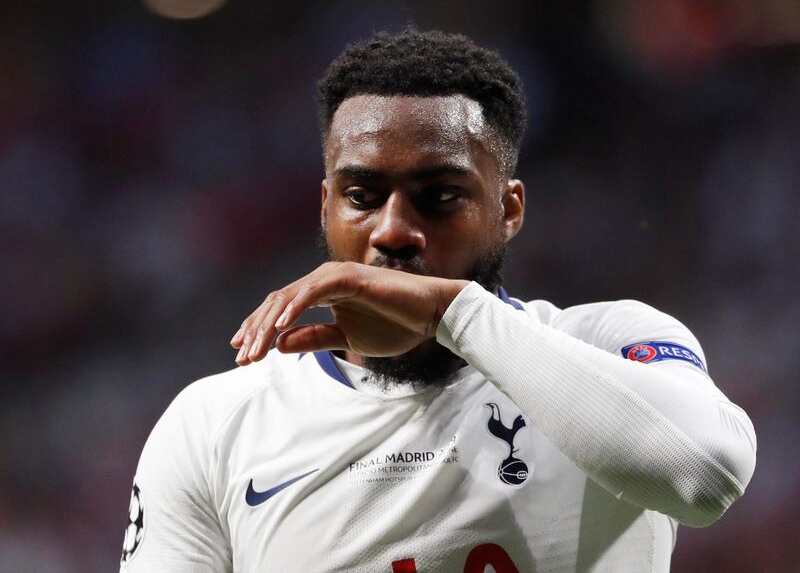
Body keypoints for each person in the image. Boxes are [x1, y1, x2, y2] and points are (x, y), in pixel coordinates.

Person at [120, 29, 757, 572]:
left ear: (507, 210)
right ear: (324, 206)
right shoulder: (215, 422)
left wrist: (449, 313)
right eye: (362, 196)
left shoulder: (605, 345)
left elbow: (703, 474)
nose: (393, 230)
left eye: (440, 196)